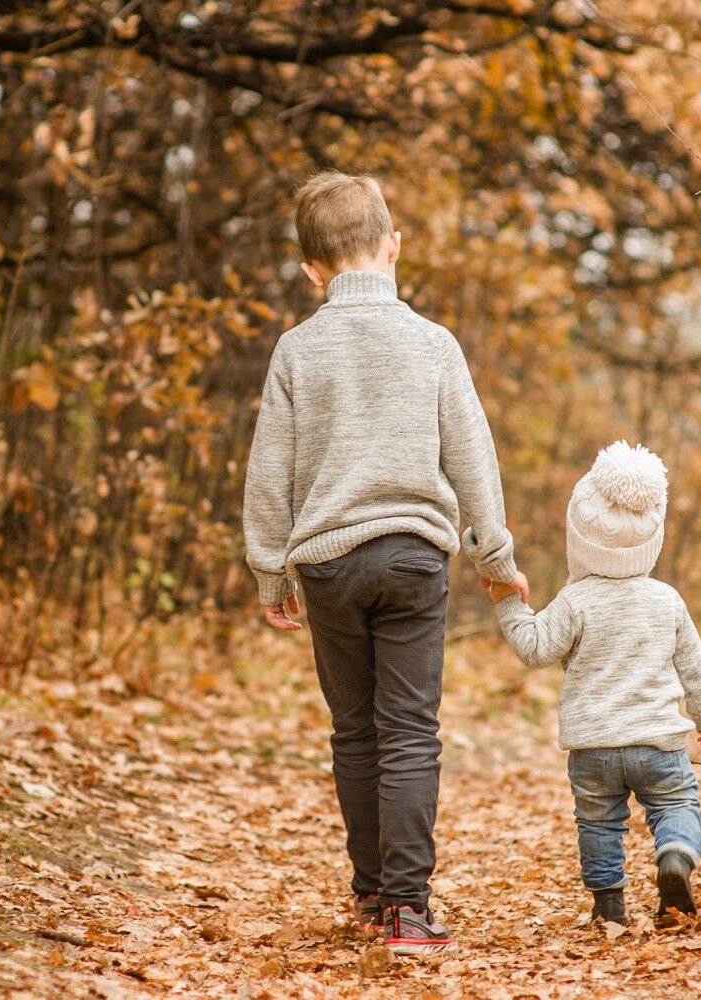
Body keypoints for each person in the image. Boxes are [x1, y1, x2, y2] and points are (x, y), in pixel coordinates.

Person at [243, 170, 528, 955]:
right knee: (409, 731)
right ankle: (407, 911)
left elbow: (270, 471)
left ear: (312, 270)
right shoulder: (433, 343)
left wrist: (271, 572)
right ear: (393, 247)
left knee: (355, 731)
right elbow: (473, 458)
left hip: (327, 564)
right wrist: (494, 557)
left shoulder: (297, 349)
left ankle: (370, 894)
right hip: (412, 558)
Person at [480, 440, 701, 927]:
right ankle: (674, 856)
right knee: (676, 804)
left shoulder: (575, 600)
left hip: (594, 750)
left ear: (579, 535)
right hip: (657, 742)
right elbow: (696, 669)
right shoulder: (666, 599)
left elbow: (535, 648)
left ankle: (608, 906)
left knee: (598, 824)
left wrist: (508, 600)